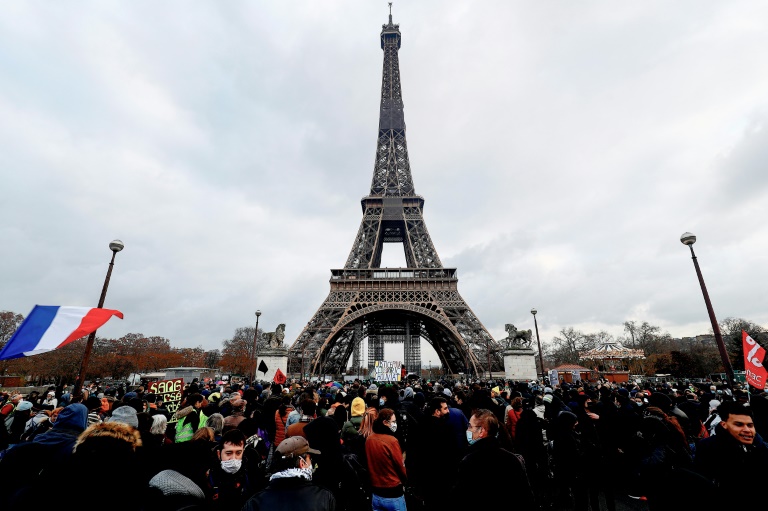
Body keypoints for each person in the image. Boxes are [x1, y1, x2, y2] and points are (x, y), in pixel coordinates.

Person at [452, 408, 534, 510]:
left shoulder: (469, 462)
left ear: (481, 431)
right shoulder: (512, 459)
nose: (467, 430)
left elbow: (460, 499)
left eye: (470, 426)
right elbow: (526, 497)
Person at [694, 401, 768, 506]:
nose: (747, 430)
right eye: (739, 424)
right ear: (724, 424)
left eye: (750, 425)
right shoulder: (708, 447)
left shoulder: (762, 448)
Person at [243, 436, 335, 511]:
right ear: (302, 463)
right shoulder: (324, 498)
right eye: (309, 459)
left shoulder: (255, 502)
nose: (311, 463)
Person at [366, 408, 407, 511]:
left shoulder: (369, 439)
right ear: (385, 422)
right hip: (393, 492)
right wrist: (405, 481)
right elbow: (400, 465)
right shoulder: (392, 441)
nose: (395, 424)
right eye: (393, 421)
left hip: (376, 492)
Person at [205, 429, 254, 510]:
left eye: (238, 453)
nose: (233, 458)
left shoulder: (249, 475)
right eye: (228, 453)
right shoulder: (210, 477)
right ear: (219, 454)